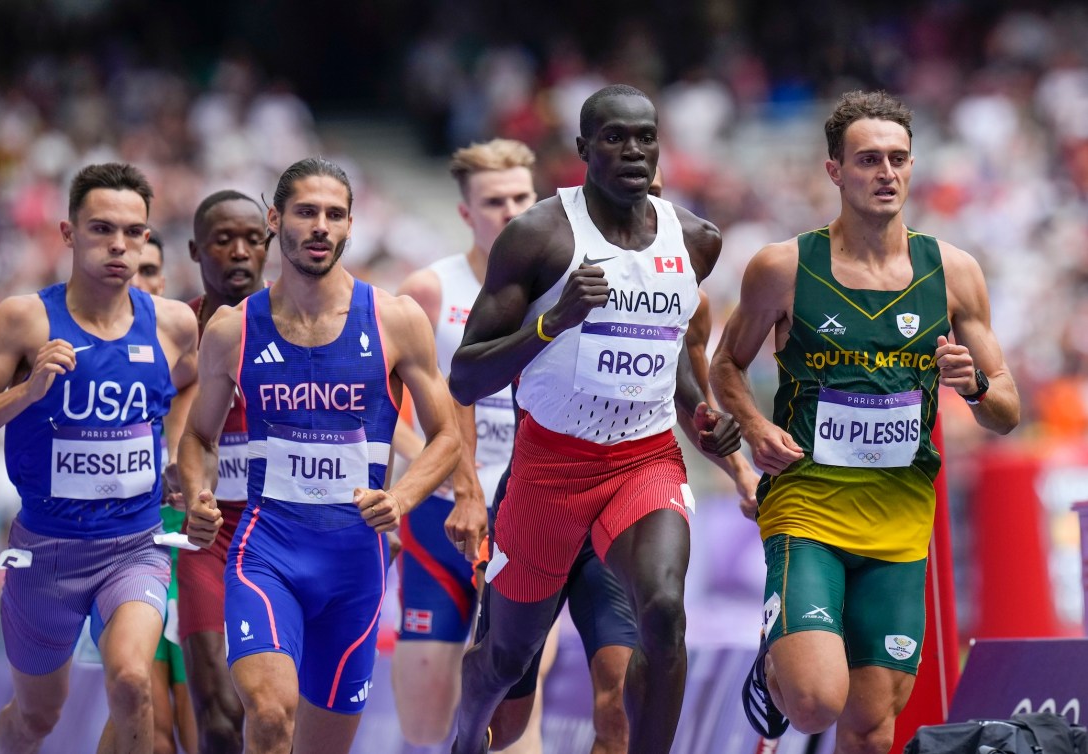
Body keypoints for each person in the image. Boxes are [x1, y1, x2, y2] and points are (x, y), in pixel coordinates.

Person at [709, 90, 1020, 754]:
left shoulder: (953, 273)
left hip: (900, 520)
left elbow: (1006, 413)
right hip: (807, 506)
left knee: (871, 726)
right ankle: (774, 665)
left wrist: (975, 385)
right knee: (817, 702)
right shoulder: (783, 267)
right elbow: (725, 369)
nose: (885, 173)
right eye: (868, 159)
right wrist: (757, 428)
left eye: (898, 160)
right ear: (833, 171)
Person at [448, 84, 742, 754]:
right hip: (547, 469)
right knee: (507, 659)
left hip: (643, 461)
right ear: (582, 149)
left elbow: (671, 365)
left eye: (644, 136)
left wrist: (705, 419)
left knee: (664, 613)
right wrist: (552, 323)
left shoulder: (696, 241)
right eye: (614, 136)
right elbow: (465, 375)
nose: (632, 150)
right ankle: (463, 740)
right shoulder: (538, 237)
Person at [178, 157, 461, 754]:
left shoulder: (395, 319)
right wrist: (198, 492)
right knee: (271, 713)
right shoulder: (233, 329)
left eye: (335, 215)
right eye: (307, 212)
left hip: (355, 562)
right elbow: (197, 436)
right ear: (277, 219)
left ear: (351, 226)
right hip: (267, 552)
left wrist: (402, 497)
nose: (320, 227)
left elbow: (446, 437)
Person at [0, 162, 199, 754]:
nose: (119, 244)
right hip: (45, 552)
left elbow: (192, 384)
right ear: (68, 233)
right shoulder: (23, 319)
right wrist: (25, 393)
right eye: (101, 229)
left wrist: (180, 457)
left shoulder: (172, 324)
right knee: (37, 718)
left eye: (133, 232)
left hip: (136, 547)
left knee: (134, 680)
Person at [391, 138, 533, 746]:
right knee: (427, 721)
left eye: (522, 197)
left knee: (515, 711)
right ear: (465, 212)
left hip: (530, 512)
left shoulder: (561, 290)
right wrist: (439, 465)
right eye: (493, 200)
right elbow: (384, 404)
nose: (509, 210)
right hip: (441, 516)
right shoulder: (429, 288)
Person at [98, 228, 199, 754]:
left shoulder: (189, 355)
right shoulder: (88, 354)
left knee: (196, 722)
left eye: (154, 271)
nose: (144, 283)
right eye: (135, 271)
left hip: (192, 548)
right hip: (125, 551)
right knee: (146, 720)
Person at [176, 189, 269, 754]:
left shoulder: (299, 326)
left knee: (274, 712)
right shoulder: (174, 331)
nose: (238, 252)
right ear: (195, 250)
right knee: (218, 715)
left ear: (268, 246)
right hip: (205, 535)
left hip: (280, 530)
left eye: (252, 239)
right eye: (222, 240)